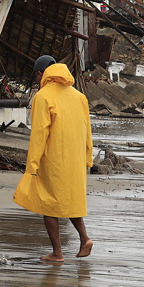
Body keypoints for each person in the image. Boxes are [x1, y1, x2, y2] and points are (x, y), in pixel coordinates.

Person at [14, 55, 94, 262]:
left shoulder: (43, 96)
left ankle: (57, 253)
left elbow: (39, 133)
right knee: (69, 201)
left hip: (53, 158)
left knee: (48, 204)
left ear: (41, 74)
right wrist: (87, 159)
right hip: (75, 160)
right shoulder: (79, 97)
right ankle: (85, 238)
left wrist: (32, 165)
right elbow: (88, 132)